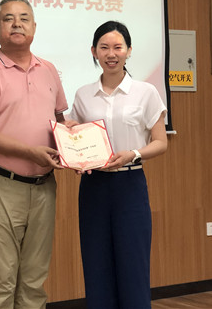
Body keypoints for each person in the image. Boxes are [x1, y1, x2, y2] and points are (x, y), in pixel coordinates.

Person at [0, 0, 69, 309]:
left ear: (34, 26)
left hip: (44, 186)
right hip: (1, 185)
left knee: (35, 281)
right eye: (8, 19)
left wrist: (81, 140)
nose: (17, 24)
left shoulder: (48, 70)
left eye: (24, 18)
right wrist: (29, 152)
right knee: (2, 280)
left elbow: (60, 122)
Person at [69, 21, 167, 309]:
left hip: (130, 184)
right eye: (104, 48)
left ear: (129, 51)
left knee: (133, 263)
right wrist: (72, 147)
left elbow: (161, 142)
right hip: (94, 186)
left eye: (117, 47)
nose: (111, 54)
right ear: (94, 52)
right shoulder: (83, 95)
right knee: (96, 263)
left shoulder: (146, 92)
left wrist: (133, 154)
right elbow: (75, 136)